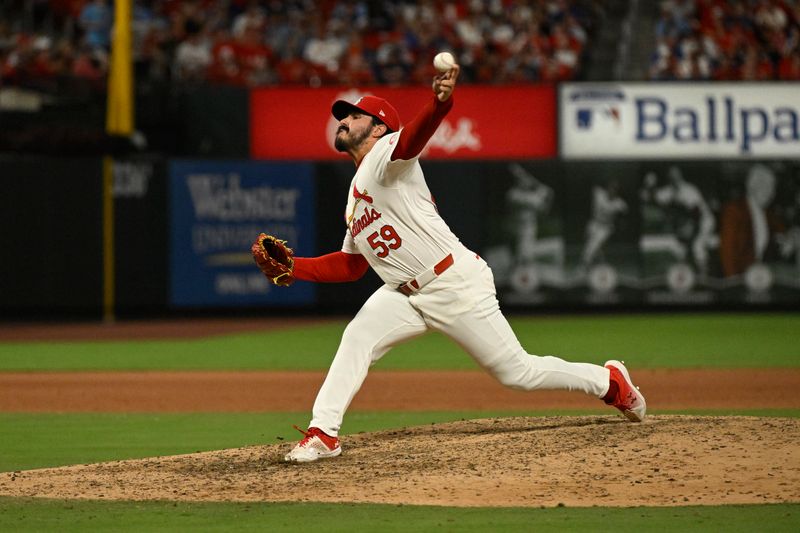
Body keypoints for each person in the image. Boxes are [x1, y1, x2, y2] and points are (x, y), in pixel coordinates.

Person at [253, 62, 646, 463]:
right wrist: (293, 266)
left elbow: (412, 138)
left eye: (355, 115)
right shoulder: (355, 197)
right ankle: (324, 433)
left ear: (378, 129)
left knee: (517, 373)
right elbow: (352, 266)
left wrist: (440, 102)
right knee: (357, 337)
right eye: (344, 115)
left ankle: (608, 382)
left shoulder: (388, 156)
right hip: (402, 293)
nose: (345, 120)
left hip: (453, 282)